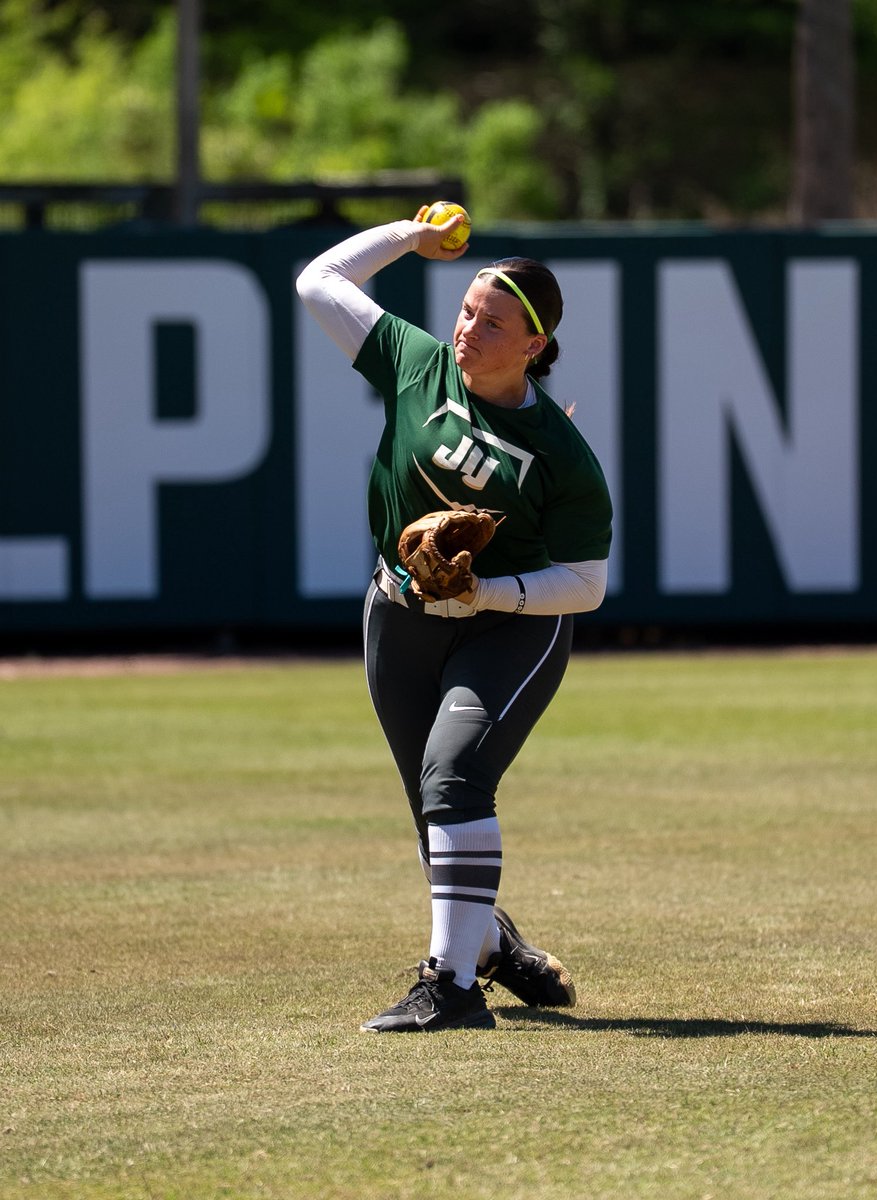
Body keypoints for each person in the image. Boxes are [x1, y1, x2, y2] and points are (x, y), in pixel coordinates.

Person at [296, 207, 613, 1033]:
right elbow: (318, 282)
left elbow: (585, 583)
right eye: (468, 312)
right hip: (400, 615)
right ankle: (490, 945)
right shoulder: (415, 364)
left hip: (509, 628)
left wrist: (489, 596)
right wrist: (406, 235)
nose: (469, 330)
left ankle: (452, 989)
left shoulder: (561, 456)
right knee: (434, 813)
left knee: (454, 783)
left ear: (534, 348)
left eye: (494, 323)